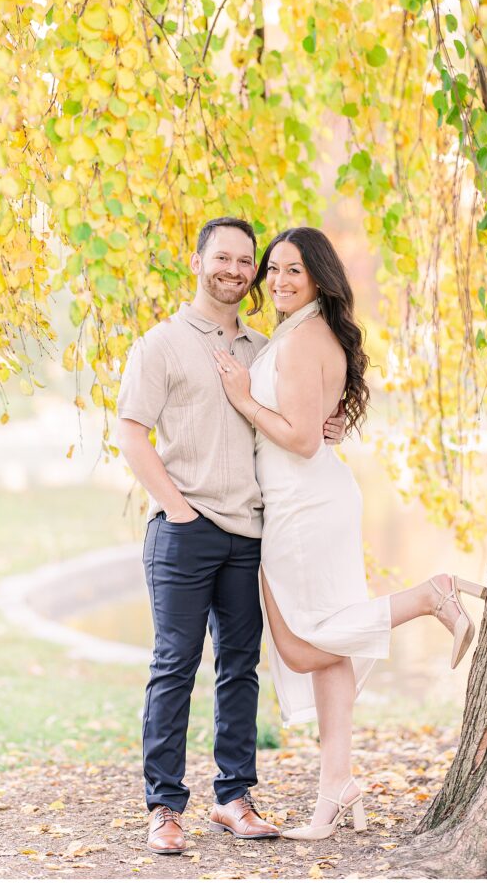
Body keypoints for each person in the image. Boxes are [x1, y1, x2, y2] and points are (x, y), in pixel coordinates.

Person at [213, 226, 487, 841]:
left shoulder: (304, 337)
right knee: (326, 649)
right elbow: (315, 425)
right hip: (309, 500)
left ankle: (429, 595)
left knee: (303, 646)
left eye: (293, 271)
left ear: (317, 278)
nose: (279, 281)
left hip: (304, 508)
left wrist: (241, 396)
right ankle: (336, 788)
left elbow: (302, 437)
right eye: (274, 270)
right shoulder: (305, 333)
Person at [116, 217, 344, 855]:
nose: (238, 271)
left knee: (240, 669)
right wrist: (179, 511)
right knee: (174, 668)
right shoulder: (159, 345)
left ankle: (233, 797)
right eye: (225, 258)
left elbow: (297, 413)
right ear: (197, 262)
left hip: (250, 535)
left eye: (249, 262)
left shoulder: (263, 348)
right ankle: (163, 808)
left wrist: (332, 425)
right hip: (184, 533)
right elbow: (131, 433)